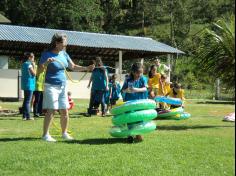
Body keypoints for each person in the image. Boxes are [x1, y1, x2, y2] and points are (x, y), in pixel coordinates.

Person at [39, 33, 94, 142]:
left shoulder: (64, 54)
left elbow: (72, 66)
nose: (65, 45)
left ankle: (64, 133)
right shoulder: (46, 54)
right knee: (52, 109)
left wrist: (86, 68)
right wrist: (46, 63)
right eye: (64, 42)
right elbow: (39, 71)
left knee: (64, 110)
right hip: (51, 85)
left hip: (63, 85)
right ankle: (45, 135)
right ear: (57, 43)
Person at [121, 63, 148, 143]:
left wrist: (136, 89)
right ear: (133, 72)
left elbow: (145, 89)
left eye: (141, 72)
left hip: (140, 102)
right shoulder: (128, 79)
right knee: (130, 118)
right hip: (129, 102)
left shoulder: (143, 78)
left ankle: (138, 134)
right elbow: (122, 90)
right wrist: (127, 90)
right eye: (138, 73)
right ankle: (130, 134)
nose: (139, 74)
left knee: (139, 118)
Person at [21, 52, 36, 120]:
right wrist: (34, 66)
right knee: (28, 101)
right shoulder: (29, 65)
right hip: (29, 84)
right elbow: (34, 74)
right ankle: (28, 116)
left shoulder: (23, 64)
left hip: (25, 84)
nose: (34, 58)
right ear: (30, 58)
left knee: (25, 100)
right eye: (33, 57)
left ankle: (24, 116)